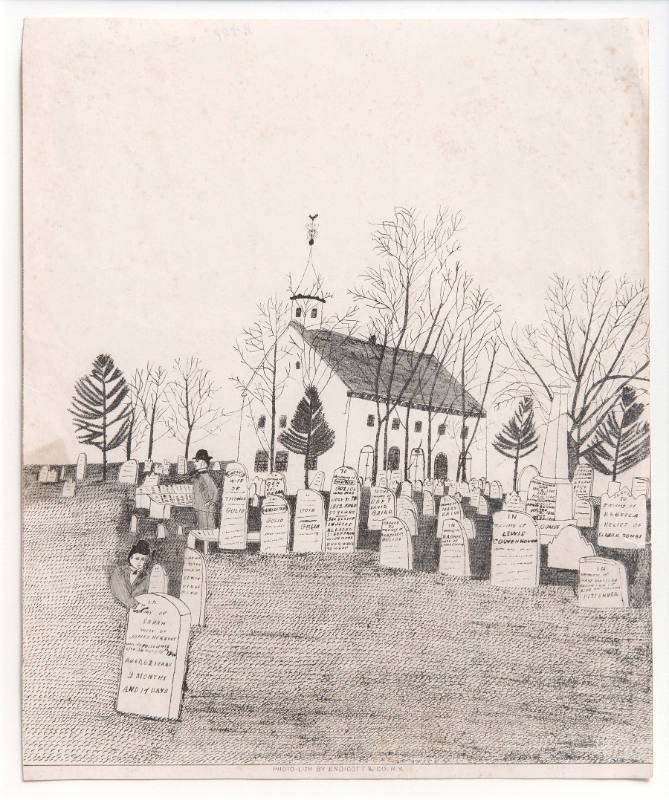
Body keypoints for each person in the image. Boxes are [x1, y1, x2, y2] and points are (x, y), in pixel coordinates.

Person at [110, 540, 151, 611]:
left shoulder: (145, 575)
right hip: (118, 610)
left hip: (138, 612)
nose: (140, 562)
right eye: (137, 558)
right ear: (130, 558)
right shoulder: (119, 572)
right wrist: (135, 605)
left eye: (143, 559)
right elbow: (120, 593)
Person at [192, 448, 218, 529]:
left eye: (197, 461)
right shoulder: (208, 477)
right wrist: (213, 502)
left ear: (203, 463)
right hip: (208, 507)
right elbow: (215, 491)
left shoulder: (199, 477)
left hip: (202, 507)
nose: (194, 463)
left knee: (203, 528)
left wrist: (207, 502)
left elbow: (204, 490)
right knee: (210, 526)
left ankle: (205, 541)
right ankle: (208, 541)